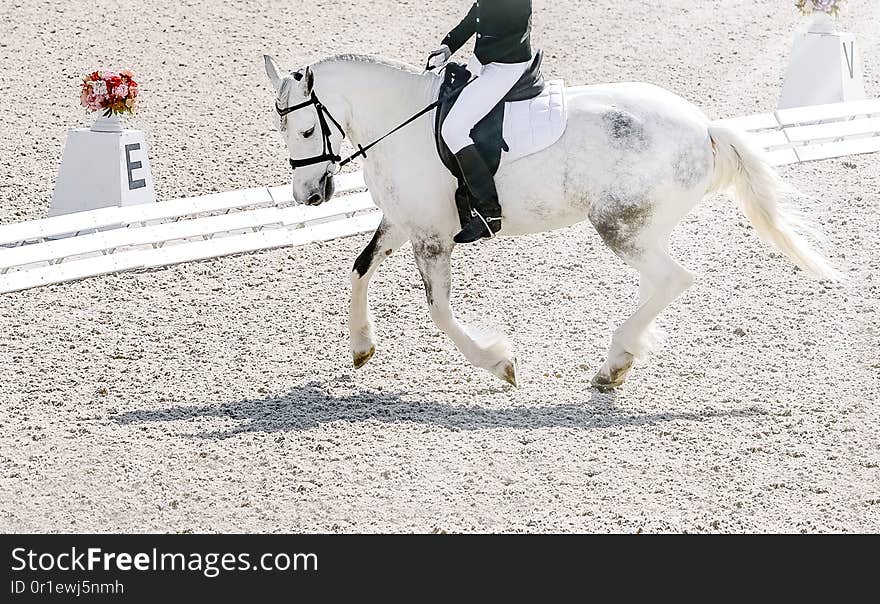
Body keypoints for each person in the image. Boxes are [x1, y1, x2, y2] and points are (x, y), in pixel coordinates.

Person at [427, 0, 534, 244]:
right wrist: (449, 44)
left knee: (454, 130)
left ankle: (488, 211)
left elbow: (515, 27)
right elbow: (480, 10)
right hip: (488, 62)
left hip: (505, 65)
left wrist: (478, 62)